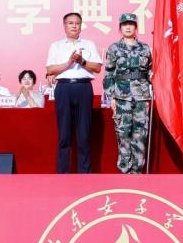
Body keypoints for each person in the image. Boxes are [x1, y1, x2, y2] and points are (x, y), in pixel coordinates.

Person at [46, 11, 102, 173]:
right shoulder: (56, 46)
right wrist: (69, 63)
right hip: (64, 88)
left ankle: (84, 173)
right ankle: (63, 173)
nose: (74, 26)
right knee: (64, 134)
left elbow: (97, 68)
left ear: (81, 26)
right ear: (64, 26)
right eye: (70, 23)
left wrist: (81, 61)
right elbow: (50, 69)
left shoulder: (89, 44)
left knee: (84, 133)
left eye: (77, 23)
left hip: (83, 87)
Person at [104, 13, 153, 174]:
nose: (128, 27)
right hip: (121, 97)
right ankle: (124, 171)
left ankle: (137, 171)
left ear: (136, 27)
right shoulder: (114, 48)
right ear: (120, 27)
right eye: (125, 24)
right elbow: (109, 74)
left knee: (140, 135)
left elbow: (151, 71)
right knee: (123, 135)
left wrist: (154, 78)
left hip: (141, 98)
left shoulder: (145, 48)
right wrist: (111, 97)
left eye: (131, 24)